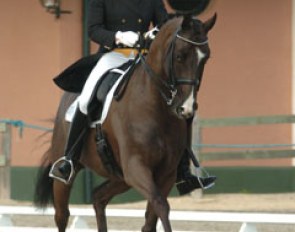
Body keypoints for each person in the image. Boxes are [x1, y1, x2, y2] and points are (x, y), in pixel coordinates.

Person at [49, 0, 216, 195]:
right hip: (113, 55)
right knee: (86, 99)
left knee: (180, 102)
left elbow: (163, 22)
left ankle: (184, 171)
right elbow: (93, 30)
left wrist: (156, 33)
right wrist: (118, 37)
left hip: (144, 57)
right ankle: (68, 160)